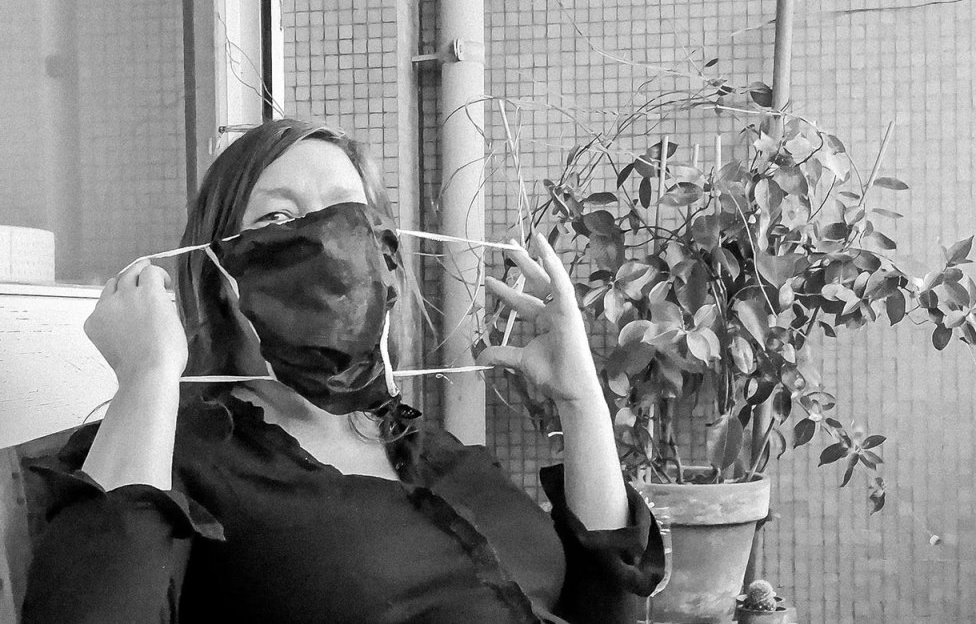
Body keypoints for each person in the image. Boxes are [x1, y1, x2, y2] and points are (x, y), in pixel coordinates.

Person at [21, 119, 663, 623]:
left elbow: (605, 608)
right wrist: (148, 377)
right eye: (278, 218)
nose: (325, 240)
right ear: (218, 272)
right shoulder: (181, 461)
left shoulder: (429, 446)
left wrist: (581, 400)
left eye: (347, 213)